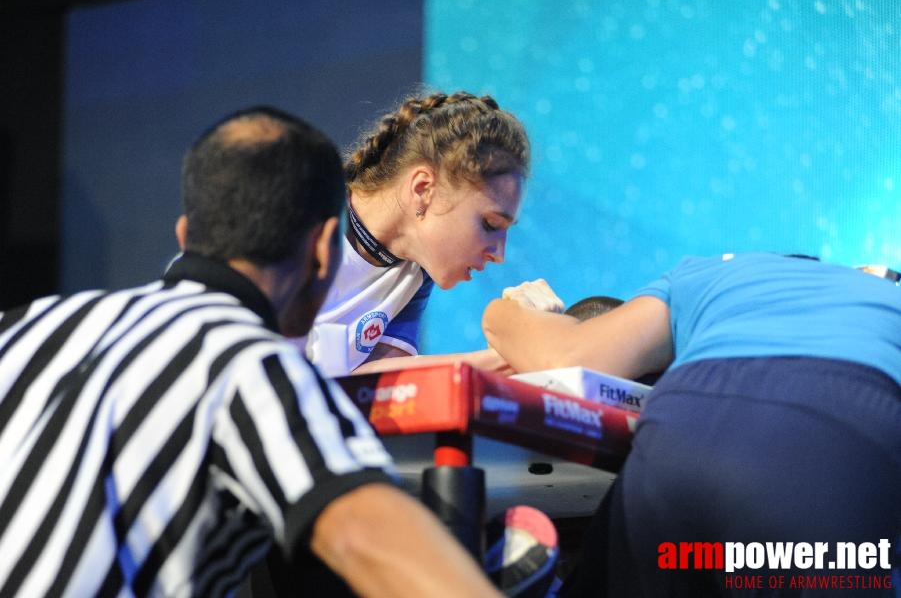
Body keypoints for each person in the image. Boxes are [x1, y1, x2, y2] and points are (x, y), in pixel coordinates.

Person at [0, 106, 505, 598]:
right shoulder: (253, 369)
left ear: (185, 235)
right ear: (326, 249)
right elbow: (359, 535)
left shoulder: (28, 325)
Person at [482, 253, 901, 596]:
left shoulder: (715, 271)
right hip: (837, 440)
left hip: (684, 430)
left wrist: (504, 311)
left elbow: (571, 353)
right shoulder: (886, 304)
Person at [292, 90, 530, 377]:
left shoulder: (416, 272)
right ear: (423, 189)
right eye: (490, 225)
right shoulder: (301, 215)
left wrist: (516, 356)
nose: (498, 254)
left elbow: (379, 383)